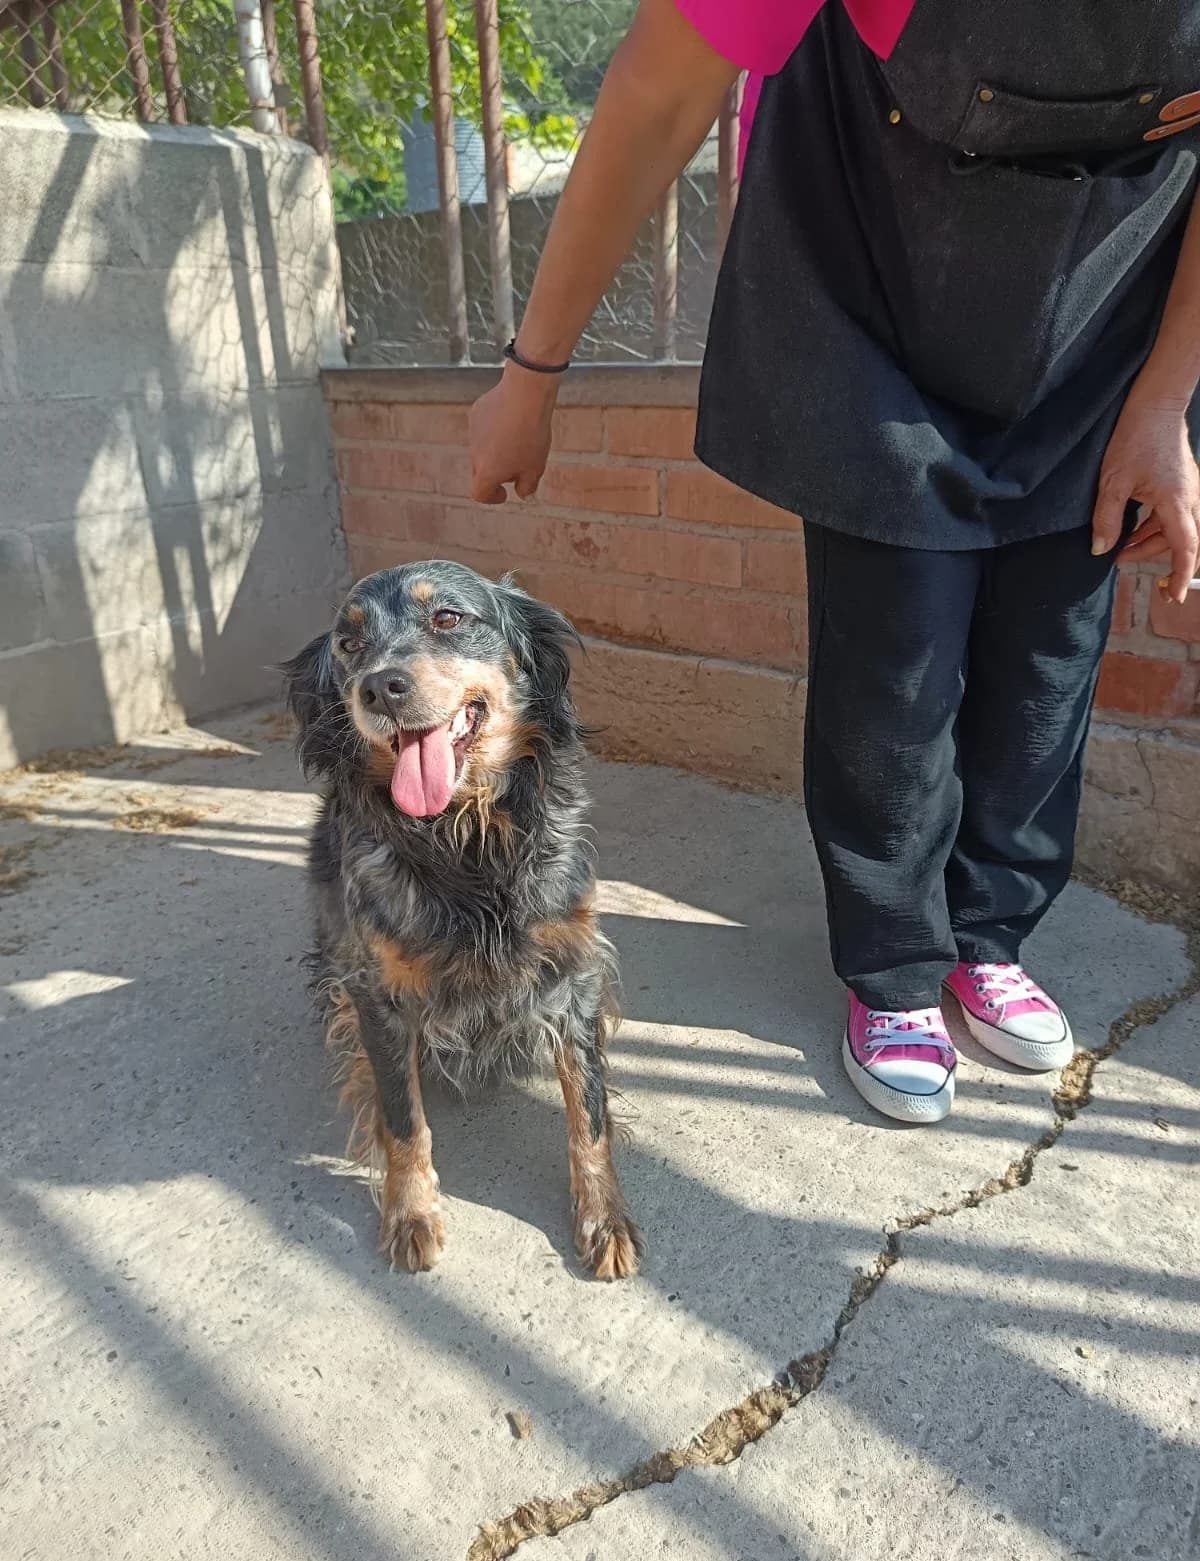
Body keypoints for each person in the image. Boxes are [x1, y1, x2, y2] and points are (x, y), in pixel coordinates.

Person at [468, 0, 1200, 1124]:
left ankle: (987, 938)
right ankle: (899, 966)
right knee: (897, 656)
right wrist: (533, 374)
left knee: (1052, 652)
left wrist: (1166, 402)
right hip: (869, 256)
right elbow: (661, 92)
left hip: (1104, 298)